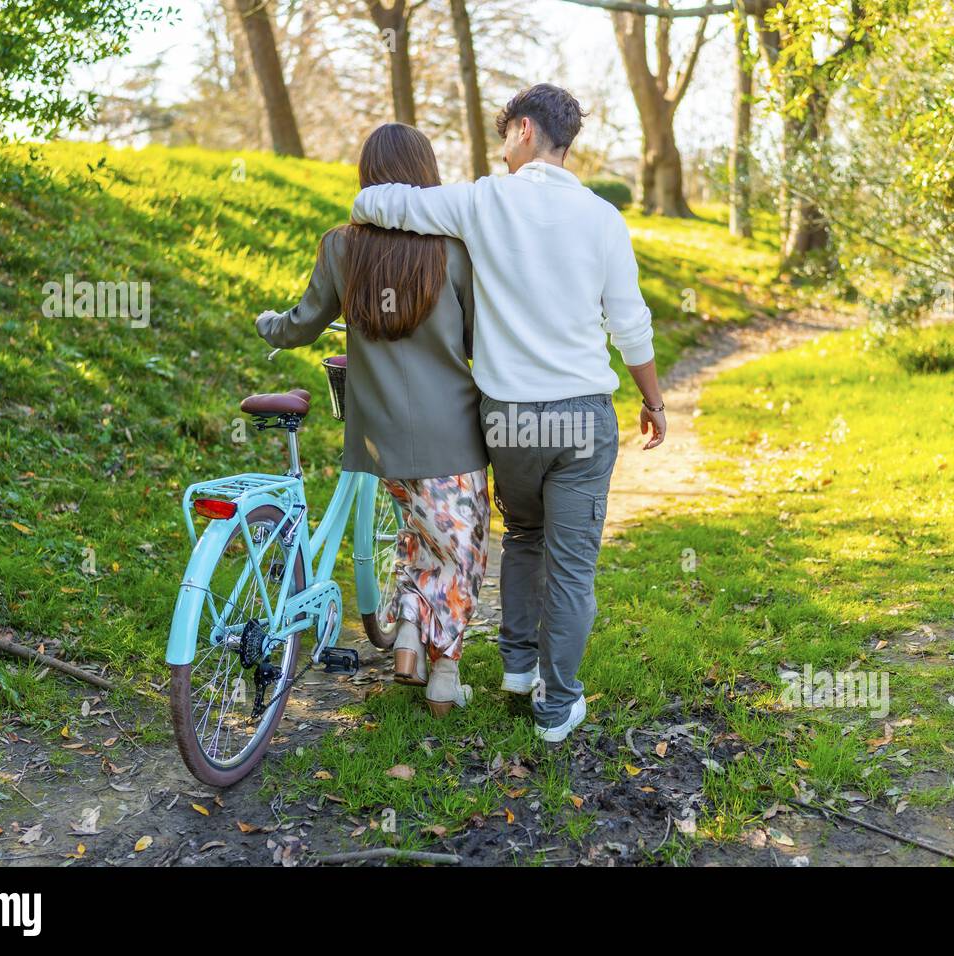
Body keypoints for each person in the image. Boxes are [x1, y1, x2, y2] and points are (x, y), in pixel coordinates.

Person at [350, 84, 667, 743]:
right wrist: (653, 398)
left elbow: (377, 202)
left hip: (511, 419)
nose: (502, 149)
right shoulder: (602, 218)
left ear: (523, 130)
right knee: (572, 562)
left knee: (524, 535)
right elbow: (630, 325)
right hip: (581, 415)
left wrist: (381, 202)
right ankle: (558, 705)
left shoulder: (483, 201)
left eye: (505, 135)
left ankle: (519, 670)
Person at [256, 122, 487, 717]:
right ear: (426, 177)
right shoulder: (452, 249)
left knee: (418, 533)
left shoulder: (341, 246)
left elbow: (304, 322)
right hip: (450, 434)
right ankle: (444, 676)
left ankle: (410, 633)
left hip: (376, 436)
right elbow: (476, 343)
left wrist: (268, 327)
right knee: (459, 550)